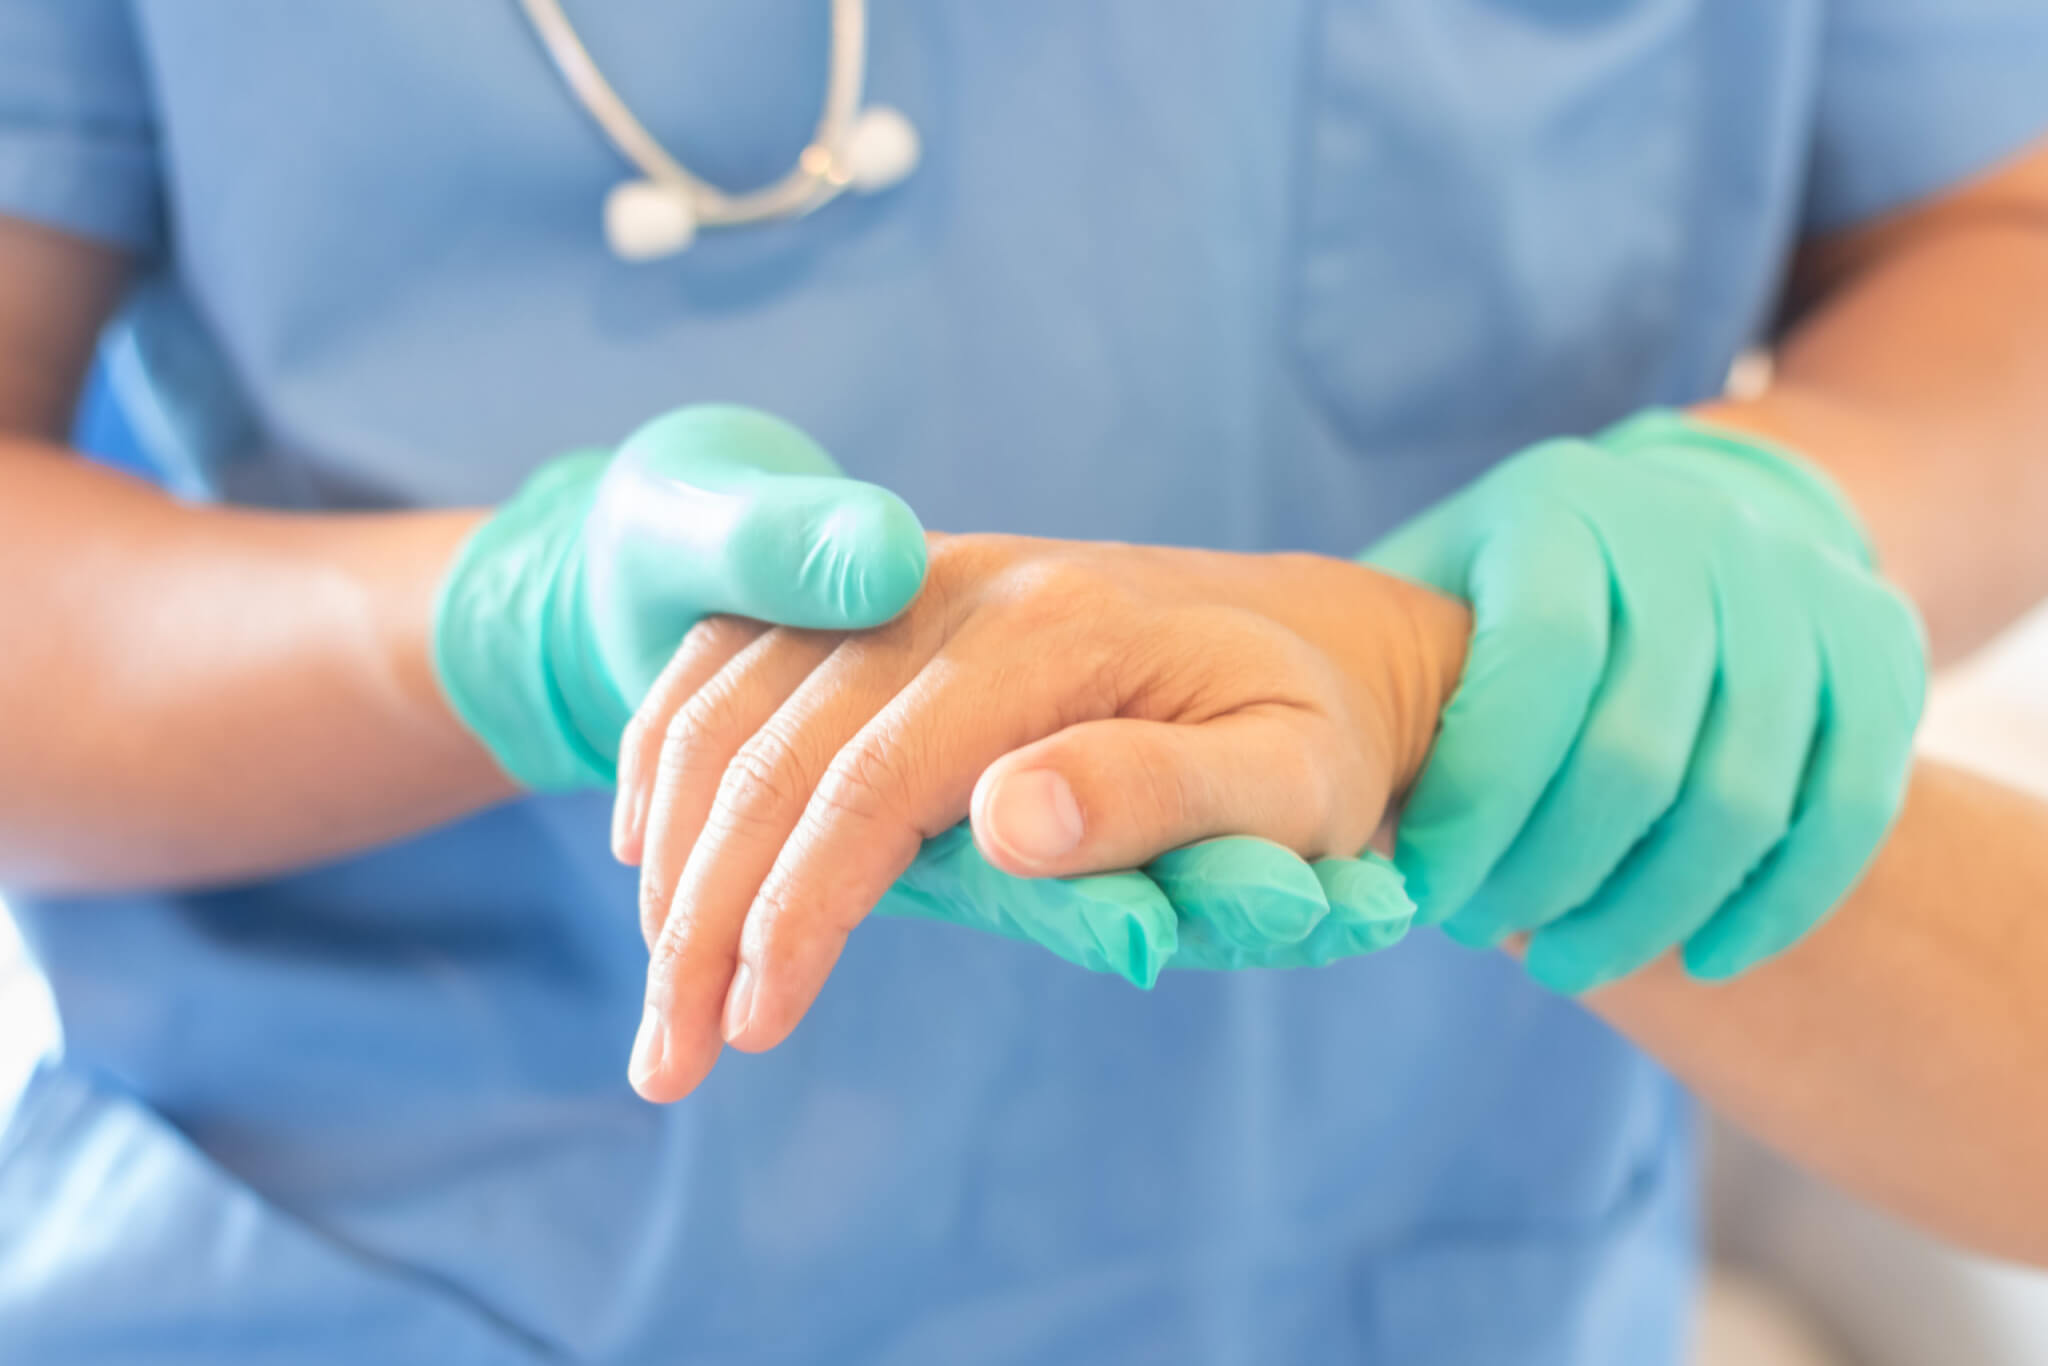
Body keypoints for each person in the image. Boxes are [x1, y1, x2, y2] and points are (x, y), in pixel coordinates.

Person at [0, 3, 2044, 1362]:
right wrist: (484, 626)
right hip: (394, 1272)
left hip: (1416, 1251)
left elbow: (1997, 228)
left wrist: (1748, 531)